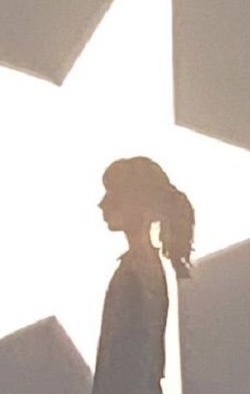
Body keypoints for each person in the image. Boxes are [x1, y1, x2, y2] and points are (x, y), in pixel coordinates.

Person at [92, 157, 194, 394]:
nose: (102, 204)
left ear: (136, 203)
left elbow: (127, 361)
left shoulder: (135, 271)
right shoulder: (144, 267)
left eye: (114, 194)